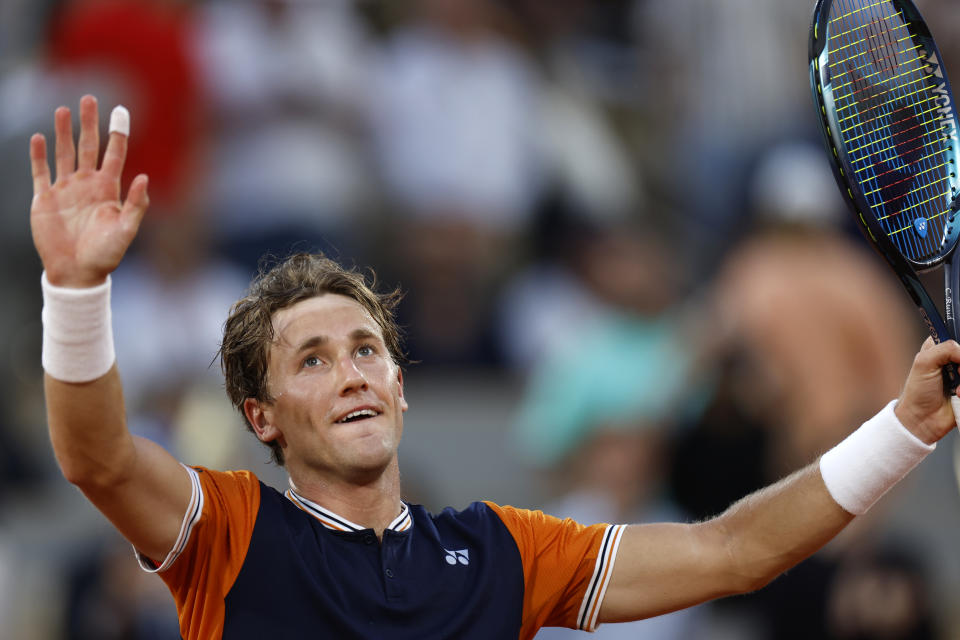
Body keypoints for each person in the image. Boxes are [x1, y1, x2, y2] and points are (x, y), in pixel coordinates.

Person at [28, 95, 960, 639]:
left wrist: (906, 427)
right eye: (312, 359)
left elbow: (735, 552)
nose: (352, 371)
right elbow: (98, 460)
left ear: (399, 383)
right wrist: (75, 291)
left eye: (365, 350)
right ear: (260, 414)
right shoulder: (228, 535)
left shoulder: (504, 553)